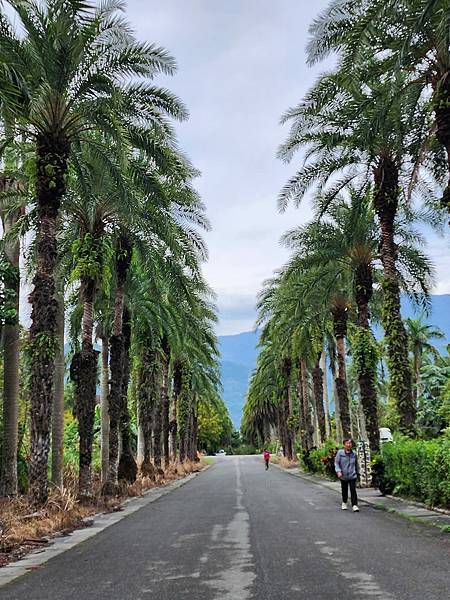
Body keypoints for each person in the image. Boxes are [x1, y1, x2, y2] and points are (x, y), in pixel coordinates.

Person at [334, 438, 359, 512]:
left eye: (350, 443)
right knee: (344, 489)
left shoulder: (354, 453)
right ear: (344, 445)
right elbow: (336, 463)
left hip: (352, 474)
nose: (349, 445)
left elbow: (356, 464)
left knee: (353, 490)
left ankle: (354, 505)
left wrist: (358, 473)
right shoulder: (340, 453)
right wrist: (338, 471)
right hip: (343, 475)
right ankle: (344, 502)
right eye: (347, 443)